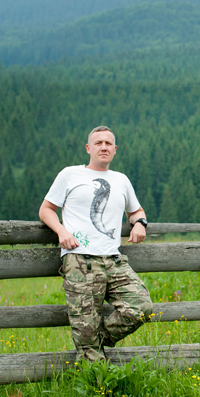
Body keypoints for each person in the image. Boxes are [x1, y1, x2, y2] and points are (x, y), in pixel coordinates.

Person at [39, 125, 152, 362]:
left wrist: (139, 222)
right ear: (88, 148)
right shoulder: (69, 174)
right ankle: (97, 388)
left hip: (114, 260)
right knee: (88, 341)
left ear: (115, 149)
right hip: (80, 261)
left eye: (108, 143)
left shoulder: (121, 180)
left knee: (141, 308)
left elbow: (136, 210)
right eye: (98, 143)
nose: (104, 147)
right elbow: (46, 210)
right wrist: (61, 231)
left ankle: (90, 342)